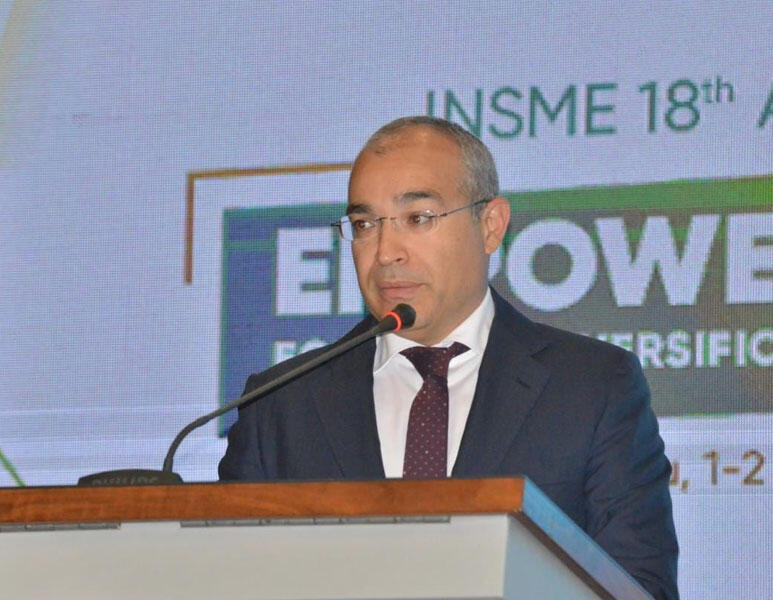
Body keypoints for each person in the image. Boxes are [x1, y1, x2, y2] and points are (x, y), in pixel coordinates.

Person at [219, 116, 679, 599]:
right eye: (364, 225)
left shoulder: (592, 388)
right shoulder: (281, 403)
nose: (385, 252)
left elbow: (640, 588)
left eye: (418, 218)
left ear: (491, 225)